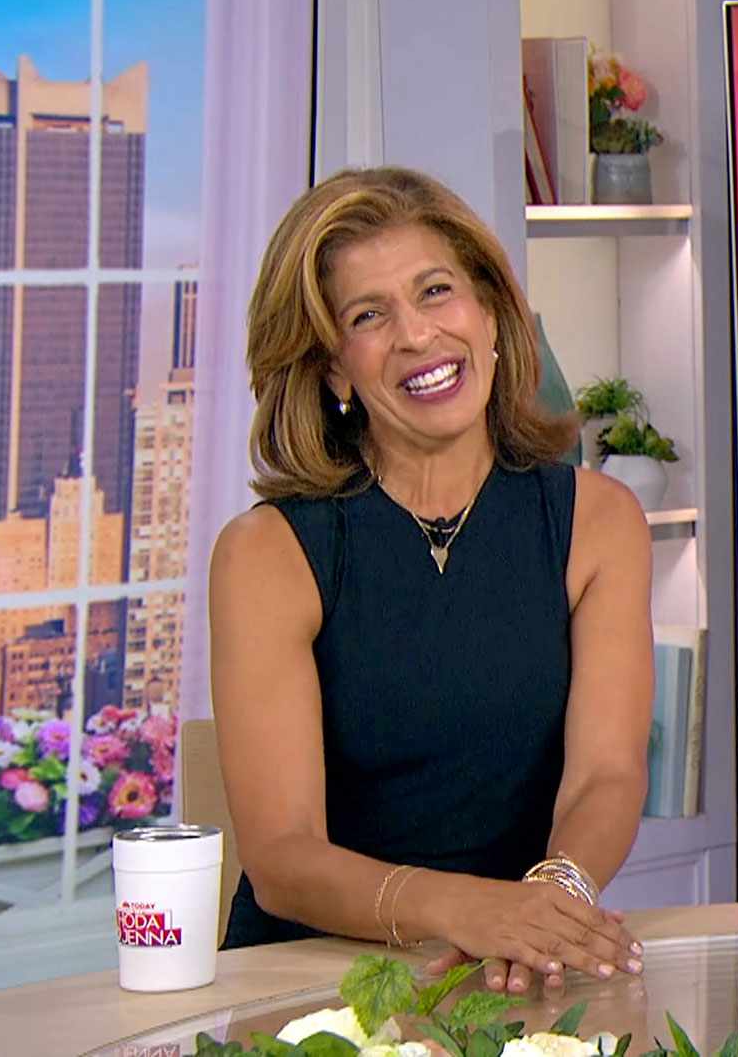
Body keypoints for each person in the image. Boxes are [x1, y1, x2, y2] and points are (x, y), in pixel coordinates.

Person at [210, 166, 656, 995]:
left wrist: (551, 898)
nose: (417, 335)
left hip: (511, 969)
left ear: (490, 316)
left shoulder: (597, 522)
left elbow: (606, 774)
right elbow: (283, 857)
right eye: (368, 315)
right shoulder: (265, 553)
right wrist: (469, 908)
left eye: (437, 291)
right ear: (336, 369)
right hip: (309, 985)